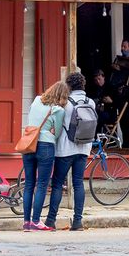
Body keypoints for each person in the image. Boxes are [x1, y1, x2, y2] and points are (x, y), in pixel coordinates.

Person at [45, 72, 92, 231]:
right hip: (84, 148)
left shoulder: (66, 103)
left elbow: (59, 126)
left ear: (69, 86)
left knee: (57, 184)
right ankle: (78, 221)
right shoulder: (90, 102)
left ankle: (51, 220)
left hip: (65, 149)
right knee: (78, 183)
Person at [22, 81, 68, 232]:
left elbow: (32, 119)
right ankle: (36, 221)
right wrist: (51, 132)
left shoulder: (36, 100)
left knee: (29, 184)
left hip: (29, 144)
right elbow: (58, 132)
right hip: (46, 146)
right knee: (41, 184)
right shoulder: (58, 110)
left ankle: (26, 222)